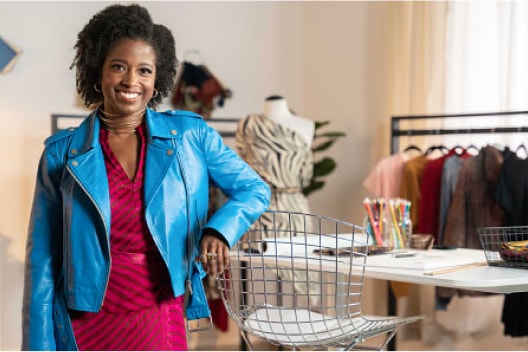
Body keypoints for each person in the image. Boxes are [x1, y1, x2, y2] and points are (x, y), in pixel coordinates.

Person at [22, 4, 270, 351]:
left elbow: (254, 189)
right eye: (118, 67)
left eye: (144, 70)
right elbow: (43, 263)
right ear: (98, 72)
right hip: (86, 322)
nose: (131, 81)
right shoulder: (61, 154)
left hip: (158, 311)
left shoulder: (190, 137)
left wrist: (219, 230)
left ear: (156, 80)